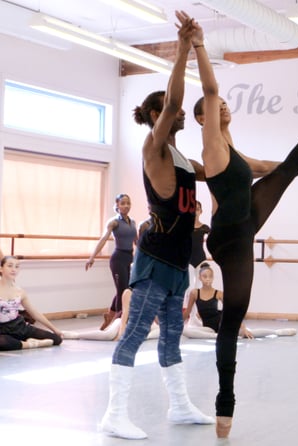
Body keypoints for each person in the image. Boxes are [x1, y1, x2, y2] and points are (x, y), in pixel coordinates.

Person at [191, 17, 298, 438]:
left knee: (291, 167)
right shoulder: (212, 142)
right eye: (214, 109)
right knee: (232, 319)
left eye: (221, 106)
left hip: (246, 220)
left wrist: (291, 170)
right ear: (203, 118)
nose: (221, 107)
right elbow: (210, 89)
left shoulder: (230, 148)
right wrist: (200, 46)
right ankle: (225, 403)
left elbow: (262, 167)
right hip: (231, 236)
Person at [100, 12, 213, 440]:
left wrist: (288, 166)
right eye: (173, 110)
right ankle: (114, 414)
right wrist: (183, 49)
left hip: (176, 261)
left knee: (172, 338)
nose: (183, 114)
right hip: (152, 260)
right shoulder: (154, 146)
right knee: (133, 334)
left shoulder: (185, 160)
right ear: (156, 113)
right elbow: (171, 103)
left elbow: (226, 171)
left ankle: (181, 406)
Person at [183, 263, 296, 339]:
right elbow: (187, 313)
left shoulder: (219, 293)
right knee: (186, 331)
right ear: (200, 278)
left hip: (223, 323)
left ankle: (277, 332)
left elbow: (232, 311)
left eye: (210, 276)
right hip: (208, 328)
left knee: (246, 334)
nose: (208, 279)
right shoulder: (194, 293)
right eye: (205, 276)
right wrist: (174, 326)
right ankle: (219, 336)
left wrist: (242, 327)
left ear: (213, 277)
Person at [86, 193, 137, 330]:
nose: (126, 206)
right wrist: (92, 257)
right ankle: (121, 322)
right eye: (123, 203)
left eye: (128, 203)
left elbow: (137, 241)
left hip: (129, 258)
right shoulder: (114, 222)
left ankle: (111, 317)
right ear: (117, 205)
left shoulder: (132, 222)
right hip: (118, 259)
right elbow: (103, 239)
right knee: (123, 290)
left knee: (126, 289)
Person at [0, 255, 63, 351]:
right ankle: (31, 344)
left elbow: (34, 313)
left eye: (17, 266)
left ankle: (21, 342)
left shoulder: (20, 291)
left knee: (57, 339)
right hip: (2, 329)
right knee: (3, 342)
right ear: (1, 268)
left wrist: (54, 329)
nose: (14, 269)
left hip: (18, 326)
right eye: (10, 266)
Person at [62, 288, 160, 341]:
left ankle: (144, 337)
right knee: (109, 335)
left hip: (144, 324)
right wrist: (121, 333)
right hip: (126, 322)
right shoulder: (128, 292)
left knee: (161, 331)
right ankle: (76, 335)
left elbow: (153, 313)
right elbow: (125, 314)